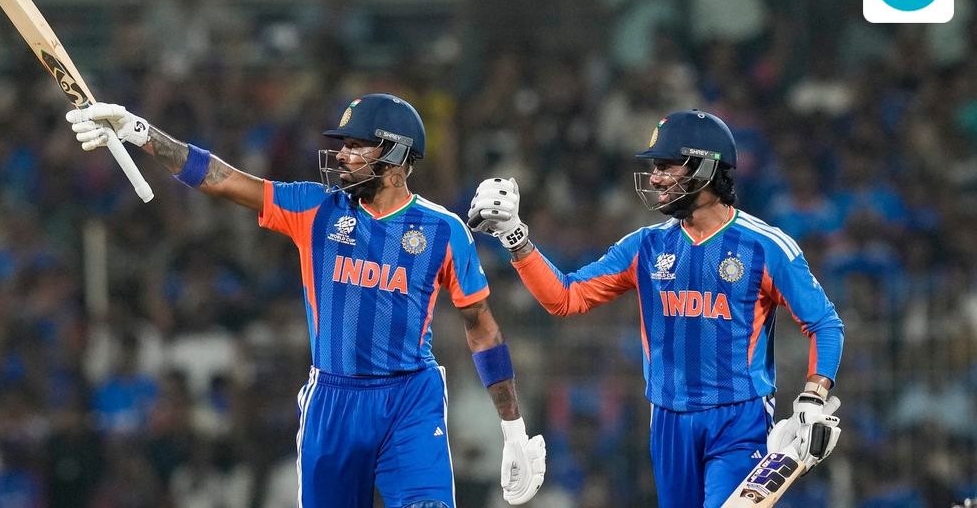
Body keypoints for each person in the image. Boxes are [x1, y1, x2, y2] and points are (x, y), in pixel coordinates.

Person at [67, 93, 546, 508]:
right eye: (343, 145)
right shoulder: (315, 208)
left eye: (357, 146)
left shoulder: (444, 231)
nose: (342, 156)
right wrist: (140, 132)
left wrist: (513, 430)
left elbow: (481, 327)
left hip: (410, 398)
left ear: (397, 155)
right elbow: (221, 178)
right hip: (332, 399)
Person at [468, 109, 844, 508]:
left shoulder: (765, 246)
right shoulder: (645, 246)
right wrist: (516, 238)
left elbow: (825, 323)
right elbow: (565, 297)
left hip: (739, 420)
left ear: (704, 167)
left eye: (666, 166)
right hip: (668, 420)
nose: (655, 178)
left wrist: (813, 397)